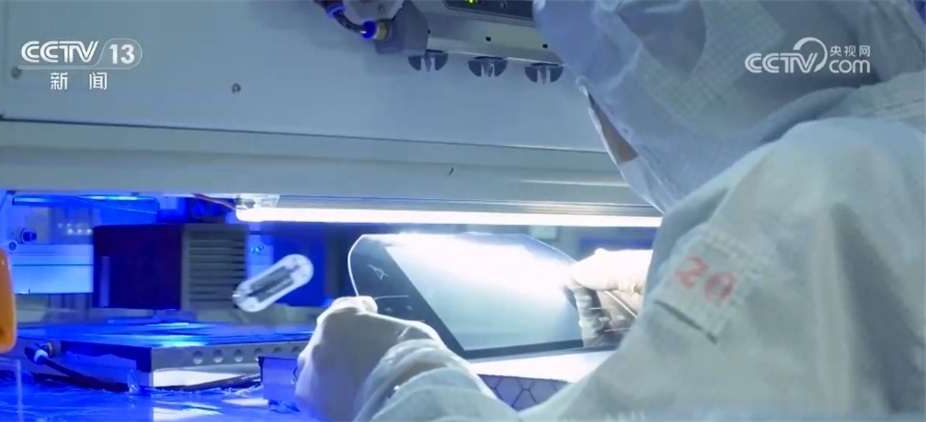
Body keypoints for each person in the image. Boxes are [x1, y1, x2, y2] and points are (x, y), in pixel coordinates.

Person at [294, 0, 926, 420]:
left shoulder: (814, 197)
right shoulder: (884, 164)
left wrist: (392, 379)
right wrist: (693, 298)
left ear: (656, 92)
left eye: (597, 94)